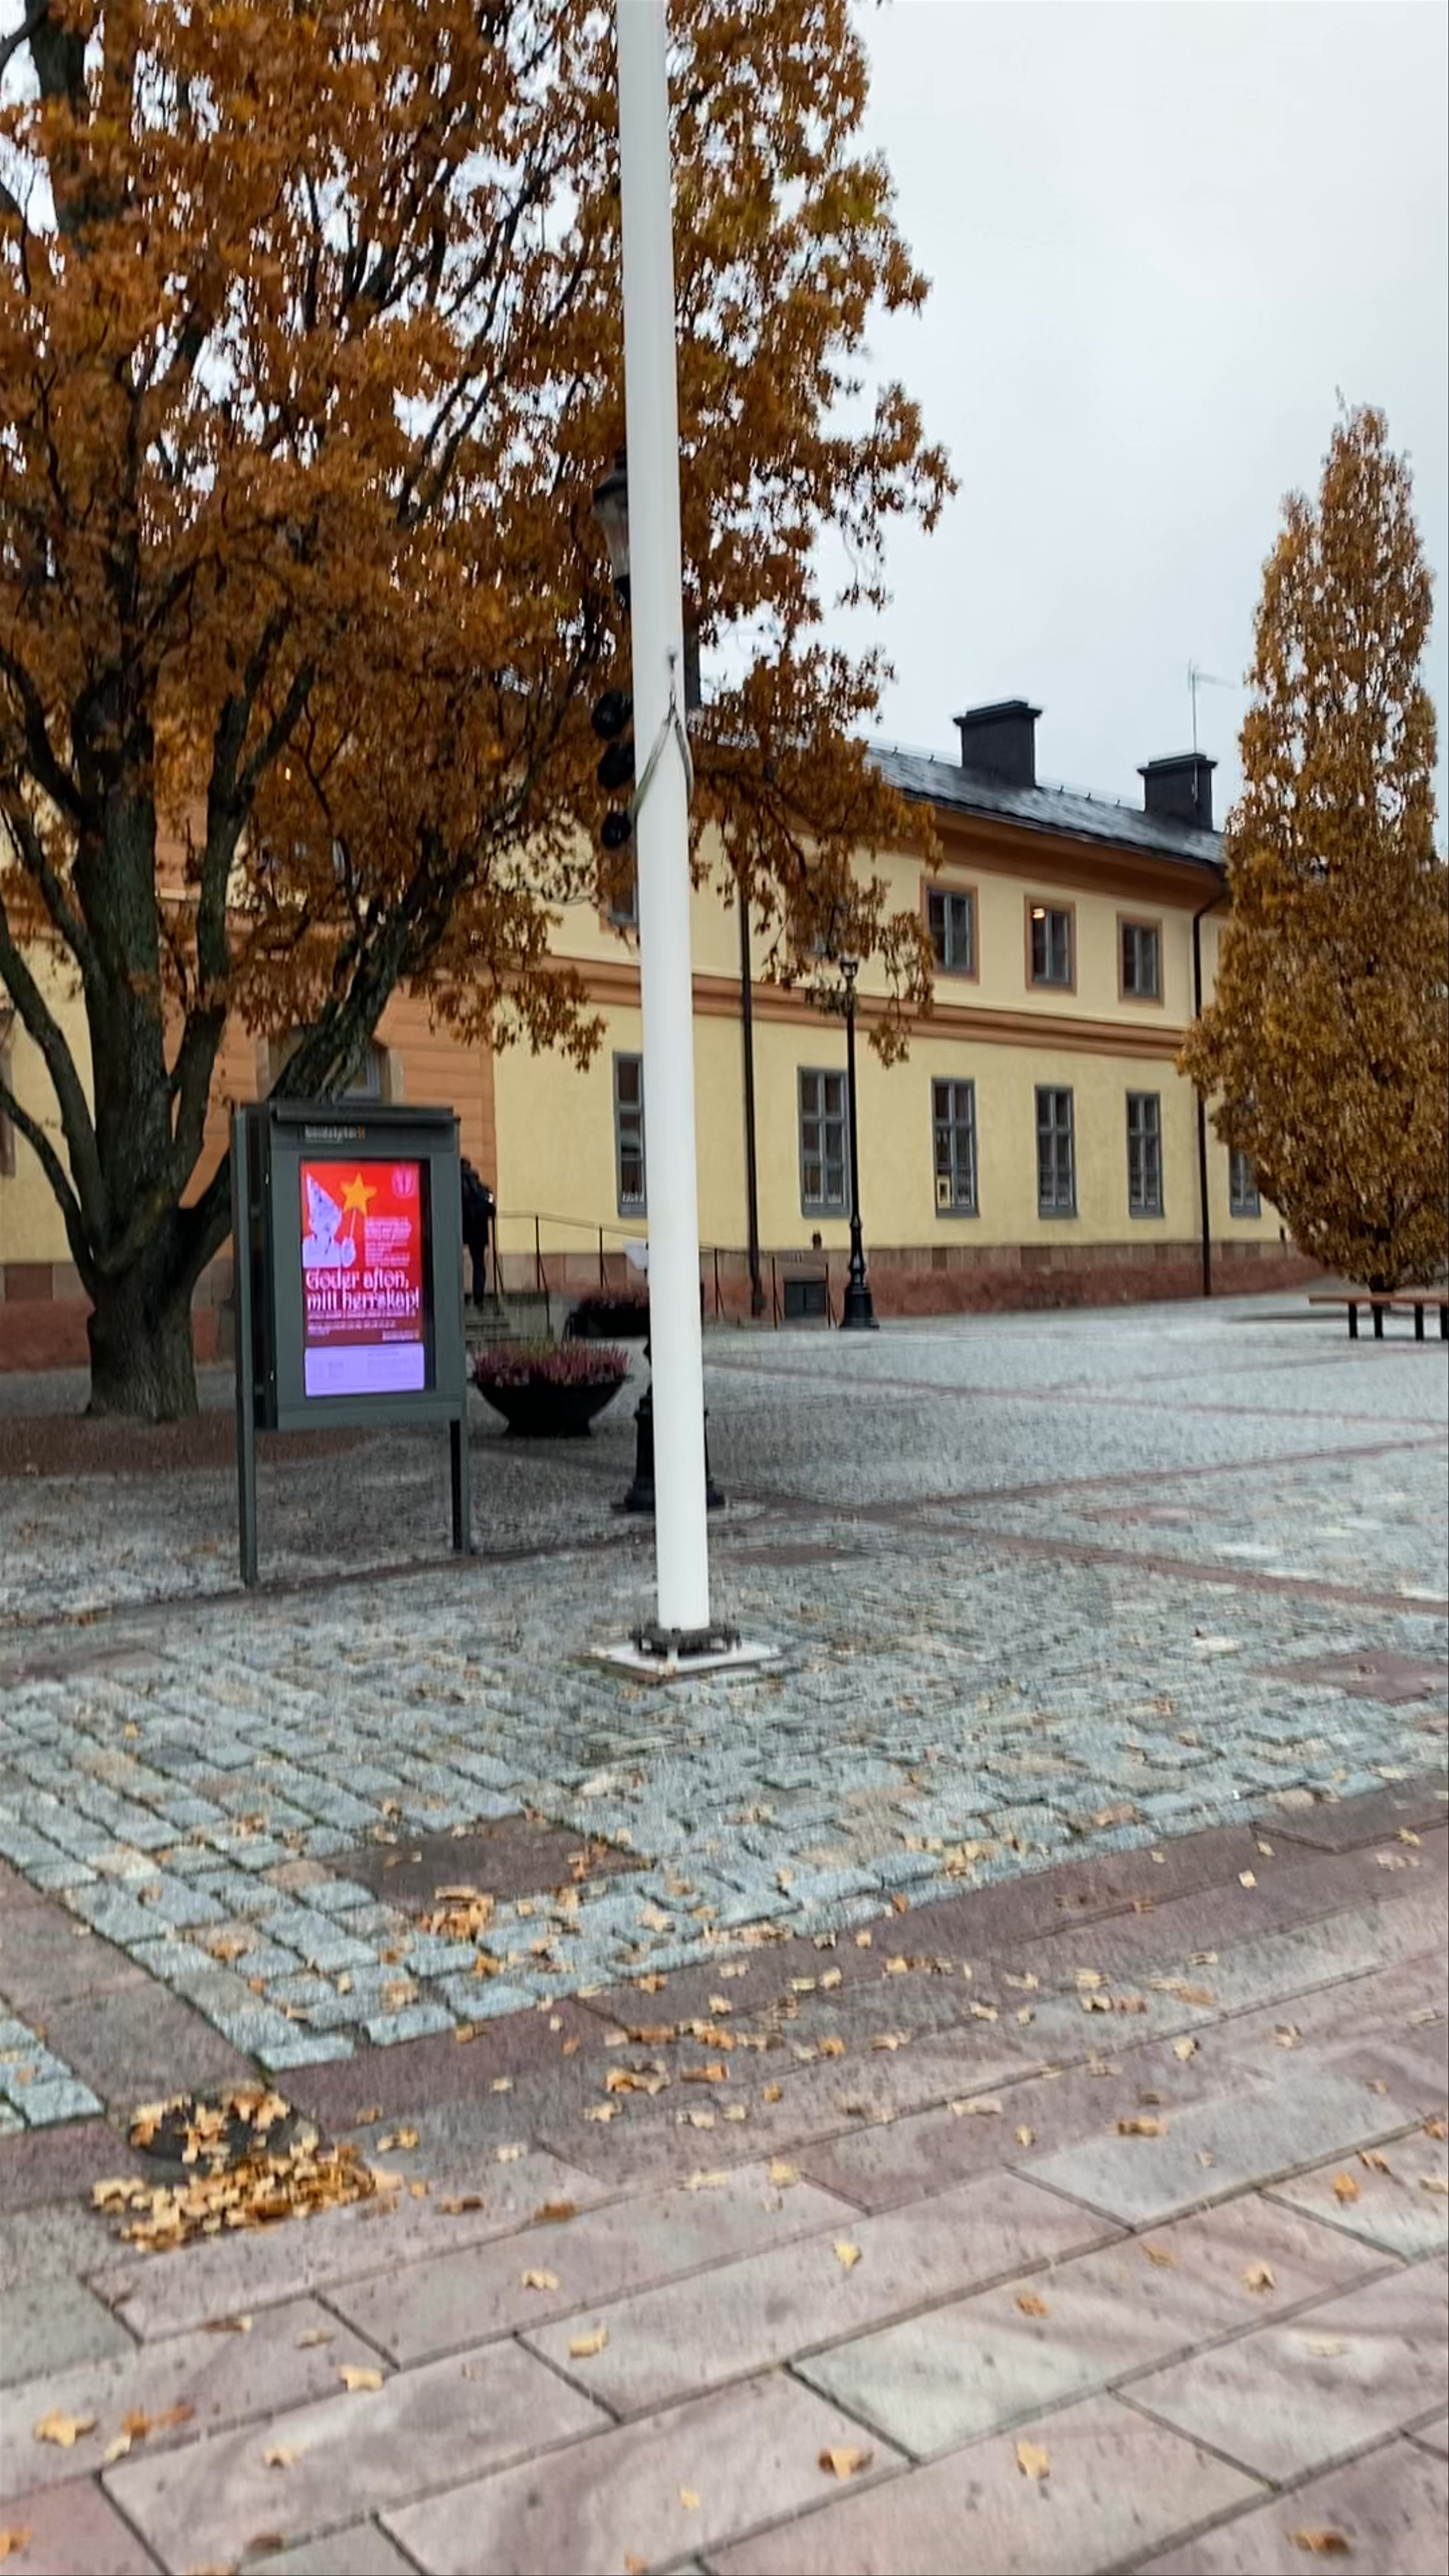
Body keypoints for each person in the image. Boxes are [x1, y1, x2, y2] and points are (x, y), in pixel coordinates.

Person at [459, 1160, 495, 1304]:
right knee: (479, 1264)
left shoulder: (454, 1185)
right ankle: (478, 1296)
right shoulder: (482, 1189)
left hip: (461, 1229)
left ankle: (459, 1294)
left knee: (455, 1262)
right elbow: (492, 1210)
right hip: (479, 1232)